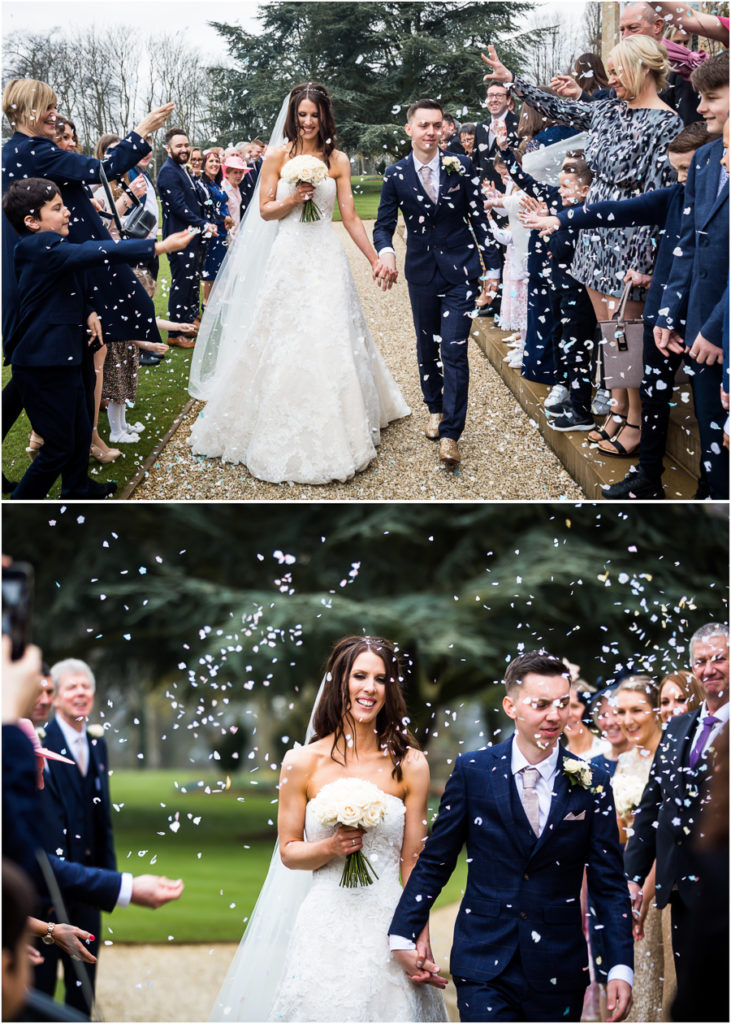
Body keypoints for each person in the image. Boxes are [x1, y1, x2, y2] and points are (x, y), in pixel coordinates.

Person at [388, 650, 633, 1022]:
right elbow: (437, 858)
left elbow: (609, 883)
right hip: (484, 961)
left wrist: (619, 967)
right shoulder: (474, 771)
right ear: (510, 706)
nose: (554, 715)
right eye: (540, 704)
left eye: (562, 704)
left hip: (559, 968)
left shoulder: (592, 781)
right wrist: (403, 933)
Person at [211, 635, 447, 1022]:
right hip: (326, 923)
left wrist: (417, 935)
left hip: (388, 921)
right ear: (340, 683)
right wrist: (332, 847)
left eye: (381, 679)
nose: (370, 688)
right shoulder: (302, 762)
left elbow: (414, 861)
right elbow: (289, 851)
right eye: (359, 676)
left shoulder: (411, 764)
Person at [188, 82, 409, 485]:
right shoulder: (275, 155)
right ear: (293, 117)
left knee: (330, 333)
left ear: (325, 116)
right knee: (282, 334)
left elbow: (351, 217)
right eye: (302, 115)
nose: (308, 122)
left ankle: (342, 420)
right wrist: (294, 199)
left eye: (314, 115)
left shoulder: (338, 159)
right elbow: (266, 211)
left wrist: (376, 258)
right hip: (288, 256)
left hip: (325, 255)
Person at [484, 39, 682, 462]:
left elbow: (663, 198)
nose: (609, 79)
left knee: (627, 332)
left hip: (632, 239)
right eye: (608, 70)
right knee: (612, 336)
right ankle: (618, 408)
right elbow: (564, 109)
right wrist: (515, 82)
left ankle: (636, 421)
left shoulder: (667, 124)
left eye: (617, 70)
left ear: (645, 69)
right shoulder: (609, 109)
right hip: (593, 237)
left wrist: (653, 258)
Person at [2, 178, 192, 500]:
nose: (67, 214)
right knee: (59, 448)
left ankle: (78, 490)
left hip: (68, 356)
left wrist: (89, 309)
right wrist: (157, 247)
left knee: (78, 435)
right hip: (43, 364)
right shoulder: (38, 248)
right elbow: (93, 252)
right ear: (32, 222)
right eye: (57, 208)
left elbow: (69, 283)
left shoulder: (52, 248)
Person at [373, 97, 501, 468]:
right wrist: (386, 253)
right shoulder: (395, 174)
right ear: (409, 129)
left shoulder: (460, 165)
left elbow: (479, 218)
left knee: (455, 349)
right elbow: (383, 225)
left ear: (444, 128)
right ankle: (434, 407)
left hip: (461, 271)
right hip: (421, 273)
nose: (431, 132)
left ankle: (451, 434)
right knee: (426, 344)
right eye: (423, 125)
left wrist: (492, 269)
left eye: (437, 125)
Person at [624, 623, 729, 979]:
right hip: (682, 890)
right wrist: (634, 877)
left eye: (720, 658)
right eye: (701, 661)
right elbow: (652, 804)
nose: (709, 668)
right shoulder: (676, 728)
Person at [653, 54, 729, 500]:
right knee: (710, 433)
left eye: (713, 97)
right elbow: (687, 244)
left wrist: (719, 329)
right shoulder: (703, 160)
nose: (700, 108)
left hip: (721, 325)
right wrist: (668, 313)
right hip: (699, 321)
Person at [32, 659, 114, 1012]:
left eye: (87, 687)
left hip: (88, 888)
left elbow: (101, 822)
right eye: (71, 687)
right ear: (57, 698)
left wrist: (107, 881)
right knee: (41, 989)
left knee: (84, 992)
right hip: (47, 891)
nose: (81, 693)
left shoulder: (98, 745)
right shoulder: (38, 740)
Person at [612, 677, 664, 1022]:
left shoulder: (673, 756)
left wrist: (643, 893)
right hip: (625, 879)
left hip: (660, 884)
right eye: (621, 711)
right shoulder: (625, 760)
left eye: (636, 710)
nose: (627, 720)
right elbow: (617, 834)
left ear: (656, 710)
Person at [157, 127, 218, 349]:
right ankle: (175, 333)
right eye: (179, 146)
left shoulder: (182, 169)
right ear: (168, 148)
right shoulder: (168, 172)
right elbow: (179, 208)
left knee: (192, 283)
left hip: (192, 237)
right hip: (179, 238)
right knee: (181, 285)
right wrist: (203, 225)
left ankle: (188, 322)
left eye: (185, 145)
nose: (183, 149)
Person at [198, 150, 234, 307]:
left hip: (222, 233)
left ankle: (214, 302)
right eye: (211, 161)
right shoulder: (203, 184)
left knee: (219, 269)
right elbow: (208, 209)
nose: (214, 164)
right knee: (209, 270)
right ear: (204, 164)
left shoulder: (216, 184)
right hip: (212, 232)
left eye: (217, 161)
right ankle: (206, 303)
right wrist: (224, 218)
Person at [472, 83, 520, 192]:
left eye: (498, 95)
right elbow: (476, 162)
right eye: (490, 95)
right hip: (485, 193)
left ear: (508, 100)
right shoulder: (480, 127)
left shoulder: (520, 125)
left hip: (510, 193)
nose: (493, 100)